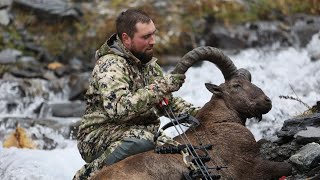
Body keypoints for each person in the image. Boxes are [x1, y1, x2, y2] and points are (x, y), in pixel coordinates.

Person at [73, 8, 199, 179]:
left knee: (184, 153)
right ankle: (88, 174)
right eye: (145, 37)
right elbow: (119, 109)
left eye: (153, 34)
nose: (153, 41)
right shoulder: (110, 65)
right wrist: (162, 86)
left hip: (138, 130)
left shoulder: (148, 64)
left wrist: (200, 113)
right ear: (126, 38)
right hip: (98, 136)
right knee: (144, 140)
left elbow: (166, 103)